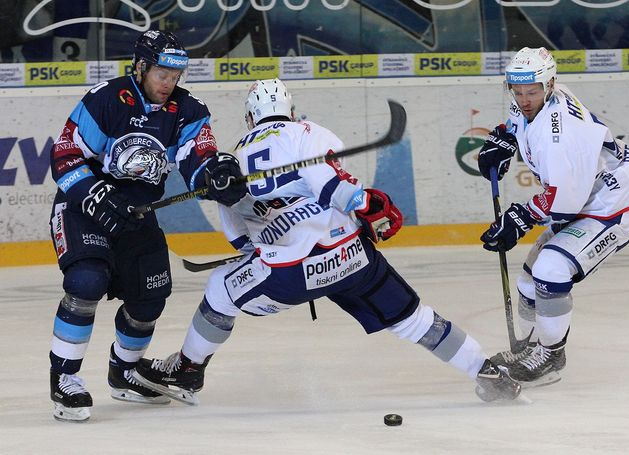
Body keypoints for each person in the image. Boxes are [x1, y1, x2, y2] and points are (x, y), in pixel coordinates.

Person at [132, 78, 522, 406]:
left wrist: (263, 246)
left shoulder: (233, 159)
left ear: (249, 117)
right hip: (351, 259)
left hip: (288, 275)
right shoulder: (307, 132)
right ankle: (486, 372)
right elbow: (332, 184)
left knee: (220, 289)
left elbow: (238, 235)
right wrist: (364, 204)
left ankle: (187, 371)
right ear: (291, 108)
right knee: (412, 318)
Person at [47, 30, 245, 422]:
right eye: (162, 74)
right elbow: (65, 157)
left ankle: (123, 370)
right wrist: (95, 194)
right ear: (140, 67)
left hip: (137, 214)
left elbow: (196, 157)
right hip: (84, 207)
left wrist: (216, 175)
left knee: (151, 297)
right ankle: (64, 377)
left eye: (176, 75)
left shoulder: (187, 110)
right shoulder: (107, 99)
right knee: (87, 282)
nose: (169, 83)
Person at [476, 47, 629, 387]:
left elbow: (564, 202)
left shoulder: (561, 135)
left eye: (532, 92)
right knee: (528, 286)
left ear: (550, 84)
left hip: (611, 207)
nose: (524, 99)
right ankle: (534, 347)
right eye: (518, 91)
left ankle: (551, 356)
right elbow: (517, 118)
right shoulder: (535, 94)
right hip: (583, 198)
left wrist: (521, 217)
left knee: (550, 269)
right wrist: (505, 137)